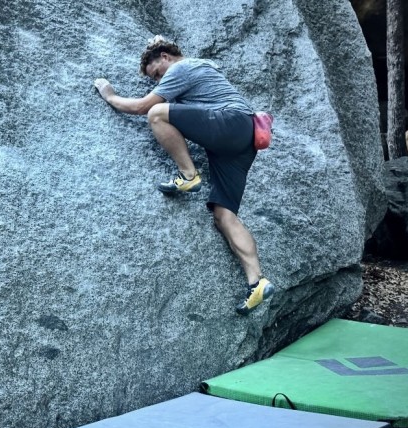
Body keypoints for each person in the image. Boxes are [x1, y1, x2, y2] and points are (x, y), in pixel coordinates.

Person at [93, 35, 274, 315]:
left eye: (156, 73)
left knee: (157, 112)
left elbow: (142, 107)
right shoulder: (199, 68)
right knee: (224, 215)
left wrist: (109, 94)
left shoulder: (181, 68)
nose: (158, 81)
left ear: (165, 58)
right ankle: (257, 282)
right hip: (242, 141)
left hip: (231, 122)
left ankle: (188, 175)